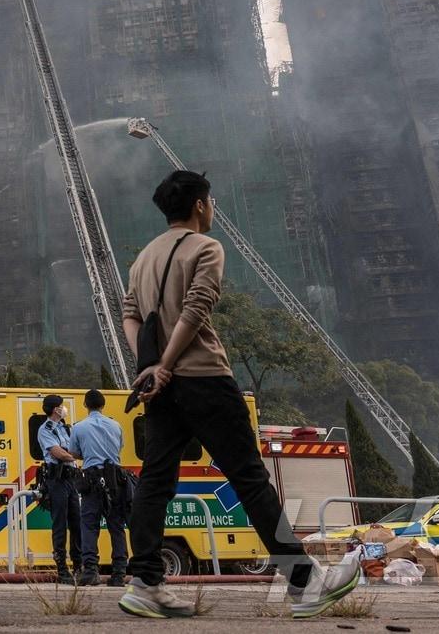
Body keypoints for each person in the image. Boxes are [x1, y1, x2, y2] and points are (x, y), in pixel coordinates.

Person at [117, 171, 360, 620]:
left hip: (160, 389)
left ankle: (145, 582)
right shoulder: (207, 247)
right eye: (210, 201)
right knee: (249, 479)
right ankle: (304, 583)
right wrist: (168, 365)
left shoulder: (143, 258)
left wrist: (150, 367)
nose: (212, 209)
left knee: (155, 481)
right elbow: (196, 309)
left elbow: (130, 315)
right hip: (205, 379)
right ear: (199, 206)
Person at [69, 388, 129, 588]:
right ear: (103, 405)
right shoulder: (116, 425)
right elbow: (119, 448)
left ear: (85, 405)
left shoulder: (79, 427)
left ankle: (91, 571)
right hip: (115, 480)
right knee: (116, 526)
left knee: (89, 525)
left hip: (92, 479)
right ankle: (119, 573)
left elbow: (74, 452)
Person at [36, 394, 83, 586]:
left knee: (77, 522)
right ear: (55, 409)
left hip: (71, 480)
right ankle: (62, 569)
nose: (63, 409)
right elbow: (58, 453)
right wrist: (74, 456)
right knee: (60, 524)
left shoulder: (65, 428)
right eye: (61, 406)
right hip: (56, 481)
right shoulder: (45, 429)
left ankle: (79, 566)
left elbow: (71, 450)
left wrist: (72, 455)